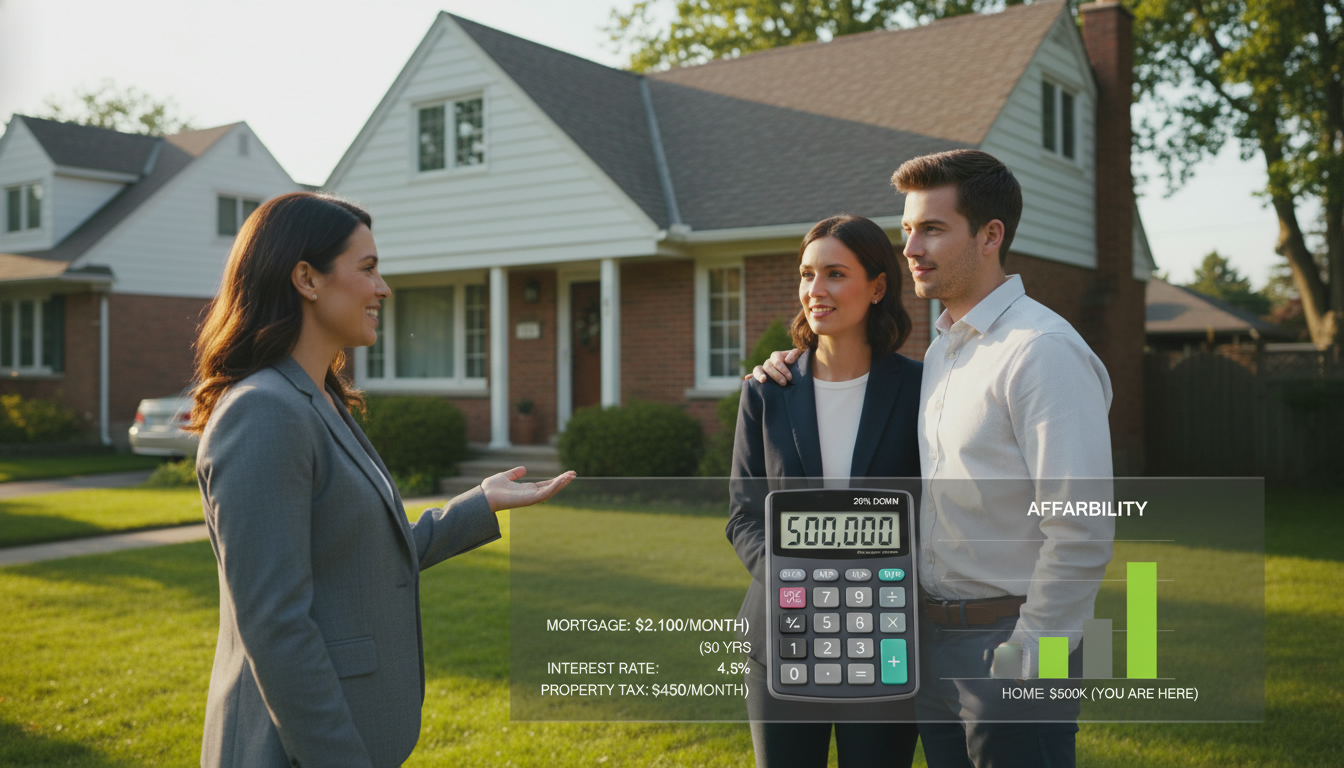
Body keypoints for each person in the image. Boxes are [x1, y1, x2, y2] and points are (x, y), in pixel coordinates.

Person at [752, 150, 1114, 768]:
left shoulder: (1041, 351)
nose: (912, 247)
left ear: (991, 235)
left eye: (933, 229)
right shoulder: (948, 347)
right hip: (930, 637)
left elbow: (1081, 527)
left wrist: (1029, 654)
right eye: (907, 231)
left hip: (1013, 637)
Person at [187, 192, 575, 768]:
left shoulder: (319, 399)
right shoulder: (264, 411)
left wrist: (480, 505)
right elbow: (277, 629)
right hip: (290, 749)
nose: (382, 288)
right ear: (306, 279)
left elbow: (361, 554)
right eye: (367, 269)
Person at [728, 214, 922, 768]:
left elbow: (931, 514)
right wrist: (799, 582)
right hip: (782, 635)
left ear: (878, 286)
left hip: (880, 634)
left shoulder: (919, 390)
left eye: (835, 274)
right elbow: (743, 517)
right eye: (807, 274)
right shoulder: (767, 392)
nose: (816, 291)